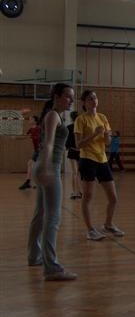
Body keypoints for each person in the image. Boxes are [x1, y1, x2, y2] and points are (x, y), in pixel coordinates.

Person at [26, 83, 77, 281]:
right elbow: (48, 145)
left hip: (44, 165)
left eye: (72, 97)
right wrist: (47, 167)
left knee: (40, 214)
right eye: (68, 96)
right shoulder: (53, 115)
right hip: (49, 166)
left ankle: (34, 256)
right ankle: (52, 268)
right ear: (56, 96)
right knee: (53, 218)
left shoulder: (55, 115)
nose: (71, 100)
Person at [74, 89, 124, 241]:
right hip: (87, 159)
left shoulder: (103, 117)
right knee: (88, 196)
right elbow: (78, 144)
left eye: (95, 97)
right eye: (90, 98)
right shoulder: (81, 119)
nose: (94, 100)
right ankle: (90, 230)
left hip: (102, 160)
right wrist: (95, 134)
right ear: (84, 102)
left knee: (113, 197)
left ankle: (108, 224)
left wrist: (107, 136)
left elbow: (107, 142)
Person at [18, 114, 42, 190]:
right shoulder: (31, 129)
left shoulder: (39, 128)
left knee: (35, 166)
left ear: (35, 121)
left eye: (31, 119)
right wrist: (16, 138)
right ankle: (28, 182)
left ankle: (38, 183)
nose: (29, 120)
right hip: (36, 150)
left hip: (41, 150)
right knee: (30, 164)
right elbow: (24, 136)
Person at [65, 111, 82, 200]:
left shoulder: (69, 127)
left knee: (75, 172)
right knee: (78, 172)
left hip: (72, 151)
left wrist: (67, 147)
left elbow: (67, 142)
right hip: (80, 152)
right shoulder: (81, 127)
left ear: (71, 118)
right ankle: (78, 191)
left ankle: (75, 192)